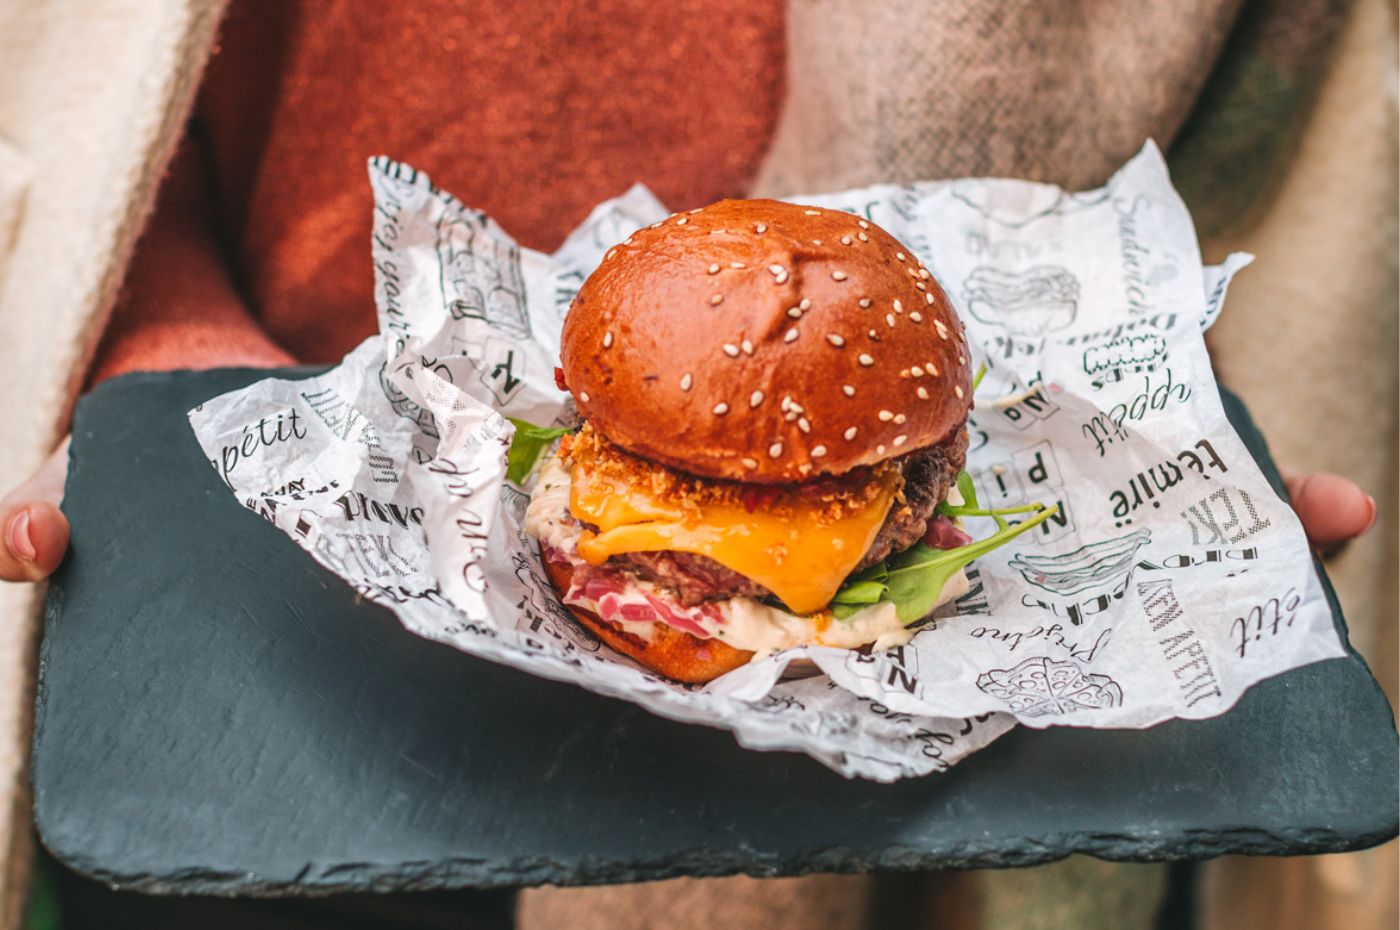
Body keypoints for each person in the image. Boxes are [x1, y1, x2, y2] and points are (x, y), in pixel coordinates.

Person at [0, 1, 1392, 929]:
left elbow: (1292, 120)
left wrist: (1203, 473)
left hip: (880, 833)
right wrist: (173, 390)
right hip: (282, 661)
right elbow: (94, 122)